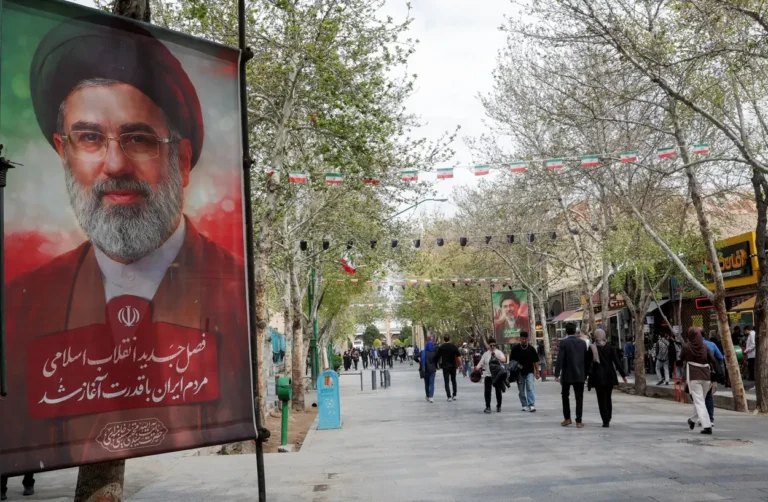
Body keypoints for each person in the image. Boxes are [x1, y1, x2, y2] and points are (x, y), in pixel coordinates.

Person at [1, 15, 258, 473]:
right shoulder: (20, 305)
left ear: (180, 160)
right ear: (64, 152)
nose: (115, 164)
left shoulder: (233, 291)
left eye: (138, 139)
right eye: (89, 138)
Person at [588, 329, 627, 428]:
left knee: (601, 399)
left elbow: (587, 363)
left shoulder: (592, 348)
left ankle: (605, 420)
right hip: (609, 376)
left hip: (598, 377)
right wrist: (623, 375)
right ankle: (608, 416)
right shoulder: (610, 347)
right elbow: (616, 362)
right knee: (608, 397)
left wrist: (585, 376)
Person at [555, 323, 592, 428]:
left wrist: (557, 373)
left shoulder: (563, 343)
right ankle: (579, 421)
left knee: (565, 396)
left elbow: (560, 358)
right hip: (579, 374)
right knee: (579, 398)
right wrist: (586, 373)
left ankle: (567, 418)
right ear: (575, 331)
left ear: (566, 331)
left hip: (567, 374)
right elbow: (586, 360)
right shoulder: (582, 343)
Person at [683, 327, 717, 435]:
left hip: (694, 377)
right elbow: (714, 359)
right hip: (707, 377)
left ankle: (707, 426)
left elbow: (681, 357)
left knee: (699, 402)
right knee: (700, 401)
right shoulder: (705, 347)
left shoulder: (687, 347)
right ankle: (692, 420)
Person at [475, 338, 507, 413]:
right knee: (487, 392)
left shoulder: (499, 352)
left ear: (495, 345)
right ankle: (488, 407)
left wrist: (497, 357)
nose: (492, 347)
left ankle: (499, 406)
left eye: (494, 345)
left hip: (497, 376)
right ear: (488, 346)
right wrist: (476, 369)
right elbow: (481, 363)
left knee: (498, 391)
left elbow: (504, 360)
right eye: (491, 345)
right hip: (488, 375)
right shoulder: (486, 354)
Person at [510, 331, 540, 412]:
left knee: (530, 388)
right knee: (521, 390)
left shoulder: (531, 349)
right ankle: (524, 404)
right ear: (520, 338)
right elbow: (511, 361)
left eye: (525, 339)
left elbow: (536, 361)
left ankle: (531, 404)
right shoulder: (515, 349)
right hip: (519, 373)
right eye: (522, 339)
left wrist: (537, 372)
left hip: (530, 372)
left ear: (527, 339)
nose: (524, 340)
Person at [703, 334, 725, 427]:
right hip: (709, 373)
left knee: (698, 398)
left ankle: (701, 418)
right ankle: (710, 419)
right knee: (709, 396)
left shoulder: (690, 345)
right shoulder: (711, 344)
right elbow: (720, 357)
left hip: (694, 375)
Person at [436, 335, 462, 402]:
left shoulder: (441, 347)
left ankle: (449, 396)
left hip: (445, 366)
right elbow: (459, 356)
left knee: (446, 381)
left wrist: (437, 364)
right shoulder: (453, 346)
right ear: (449, 339)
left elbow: (438, 357)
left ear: (444, 339)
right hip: (453, 366)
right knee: (453, 380)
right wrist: (461, 364)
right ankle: (454, 395)